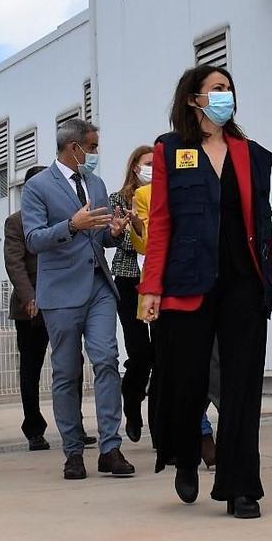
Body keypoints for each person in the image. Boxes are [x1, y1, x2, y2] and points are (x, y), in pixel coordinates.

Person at [138, 66, 272, 519]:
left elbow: (264, 224)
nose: (226, 96)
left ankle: (241, 486)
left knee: (242, 386)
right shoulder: (170, 148)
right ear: (194, 99)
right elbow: (161, 221)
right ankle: (184, 453)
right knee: (185, 380)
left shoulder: (249, 153)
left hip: (243, 281)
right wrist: (151, 287)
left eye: (229, 89)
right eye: (217, 89)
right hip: (185, 282)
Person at [21, 118, 135, 481]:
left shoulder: (96, 184)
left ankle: (110, 448)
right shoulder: (38, 187)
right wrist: (72, 225)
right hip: (60, 292)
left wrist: (114, 233)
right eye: (94, 146)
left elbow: (100, 238)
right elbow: (34, 240)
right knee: (67, 372)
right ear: (75, 148)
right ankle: (72, 451)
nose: (97, 153)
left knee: (107, 359)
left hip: (99, 284)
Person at [5, 165, 96, 452]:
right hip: (30, 308)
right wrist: (29, 297)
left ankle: (75, 426)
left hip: (65, 299)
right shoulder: (16, 223)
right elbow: (15, 263)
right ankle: (33, 428)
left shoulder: (69, 218)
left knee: (72, 365)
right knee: (30, 369)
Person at [130, 176, 218, 465]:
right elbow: (147, 245)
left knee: (214, 369)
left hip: (212, 287)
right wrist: (138, 228)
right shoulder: (146, 194)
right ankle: (196, 437)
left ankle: (200, 432)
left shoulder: (210, 187)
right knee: (181, 368)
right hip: (171, 292)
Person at [109, 146, 155, 443]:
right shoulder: (120, 199)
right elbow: (126, 239)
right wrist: (139, 227)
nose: (153, 168)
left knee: (163, 354)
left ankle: (161, 424)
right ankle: (133, 402)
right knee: (140, 353)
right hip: (130, 280)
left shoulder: (167, 195)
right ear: (135, 167)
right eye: (148, 163)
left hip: (160, 281)